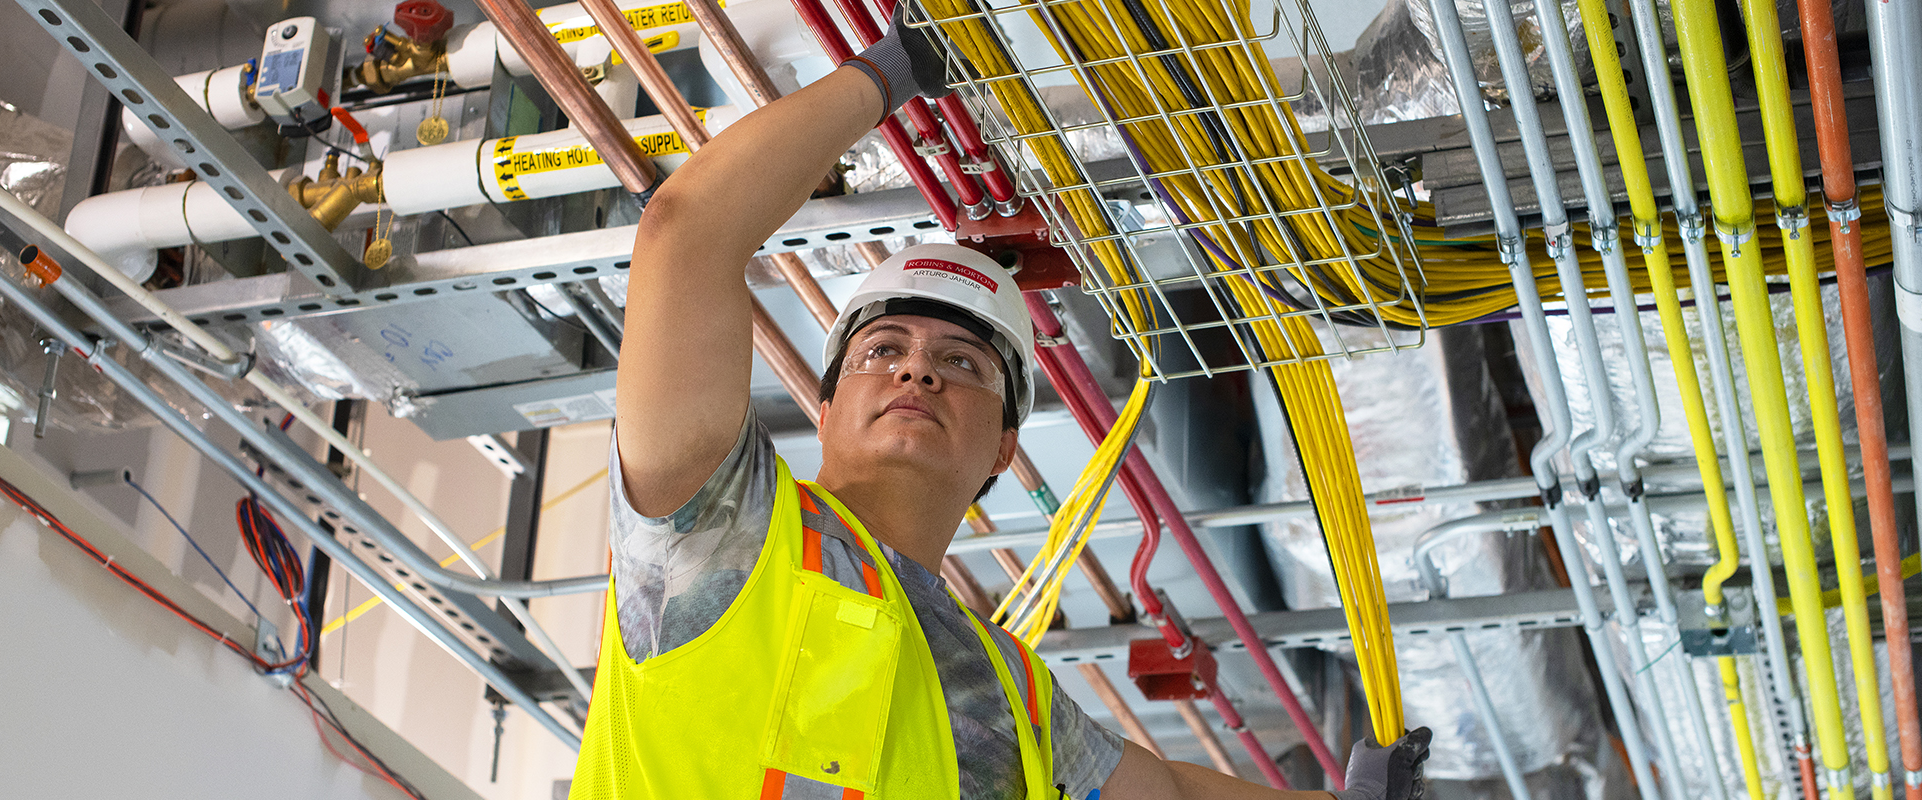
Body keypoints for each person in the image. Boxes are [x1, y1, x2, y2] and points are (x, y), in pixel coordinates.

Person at [568, 10, 1431, 799]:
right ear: (823, 411)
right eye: (881, 352)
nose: (918, 373)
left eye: (962, 363)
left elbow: (1166, 794)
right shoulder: (717, 528)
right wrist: (896, 67)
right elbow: (684, 232)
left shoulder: (1006, 691)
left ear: (1003, 451)